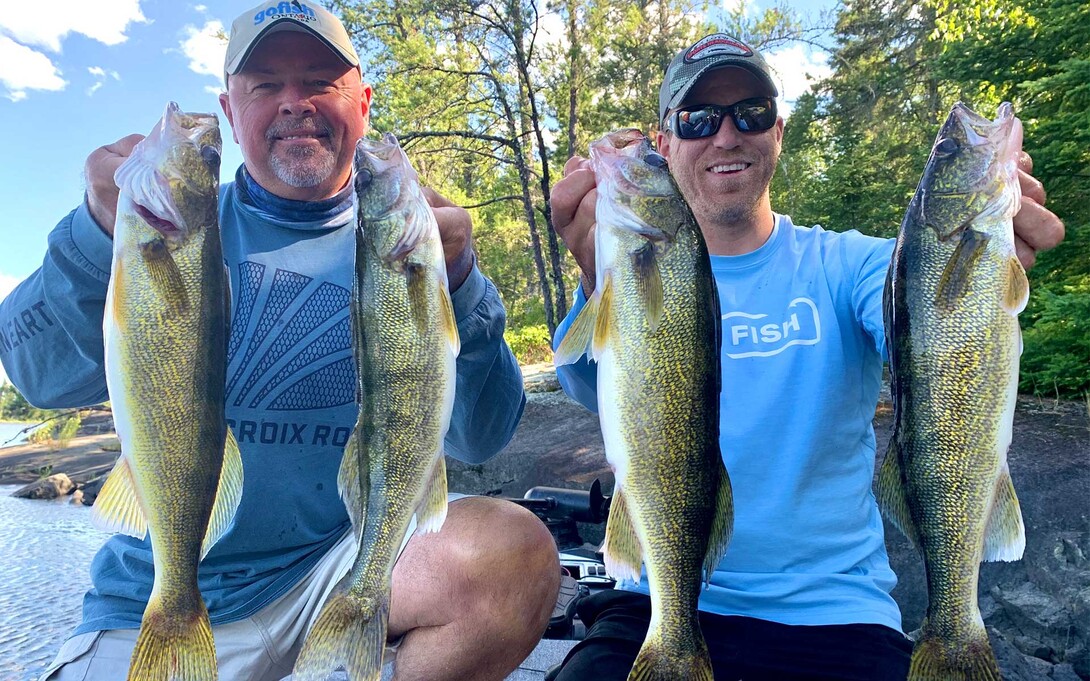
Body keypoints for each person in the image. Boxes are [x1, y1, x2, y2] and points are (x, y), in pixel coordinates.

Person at [0, 3, 560, 680]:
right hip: (160, 591)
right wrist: (92, 230)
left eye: (320, 80)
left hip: (337, 569)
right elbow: (38, 375)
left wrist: (464, 282)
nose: (295, 103)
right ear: (230, 113)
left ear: (363, 101)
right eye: (266, 84)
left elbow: (481, 435)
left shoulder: (409, 239)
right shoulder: (165, 229)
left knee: (514, 555)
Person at [548, 33, 1065, 681]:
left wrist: (965, 280)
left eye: (752, 113)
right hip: (663, 600)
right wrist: (598, 278)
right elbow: (581, 383)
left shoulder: (849, 264)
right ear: (665, 142)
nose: (727, 135)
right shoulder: (623, 274)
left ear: (779, 131)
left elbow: (913, 321)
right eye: (698, 119)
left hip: (837, 615)